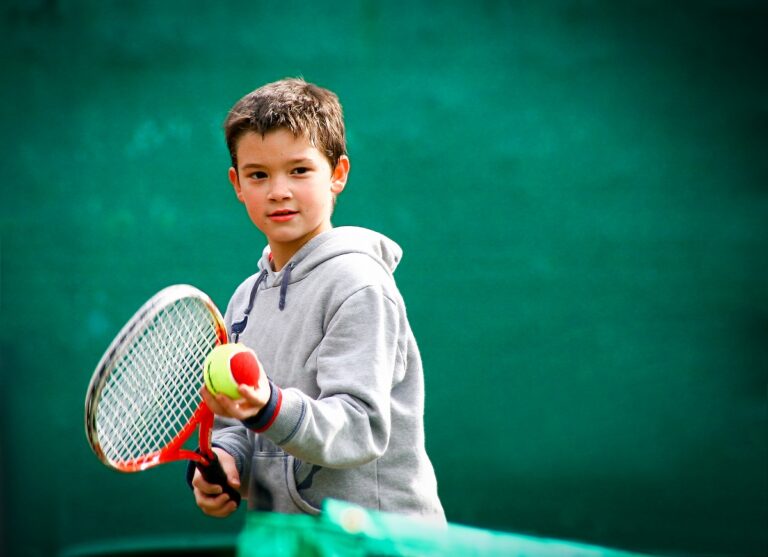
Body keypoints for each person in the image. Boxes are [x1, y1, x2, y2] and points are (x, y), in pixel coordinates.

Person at [189, 78, 445, 523]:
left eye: (299, 170)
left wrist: (270, 406)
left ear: (338, 174)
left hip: (379, 540)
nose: (278, 191)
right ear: (237, 184)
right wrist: (227, 461)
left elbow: (360, 427)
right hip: (287, 536)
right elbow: (239, 423)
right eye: (258, 175)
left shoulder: (360, 285)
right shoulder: (245, 300)